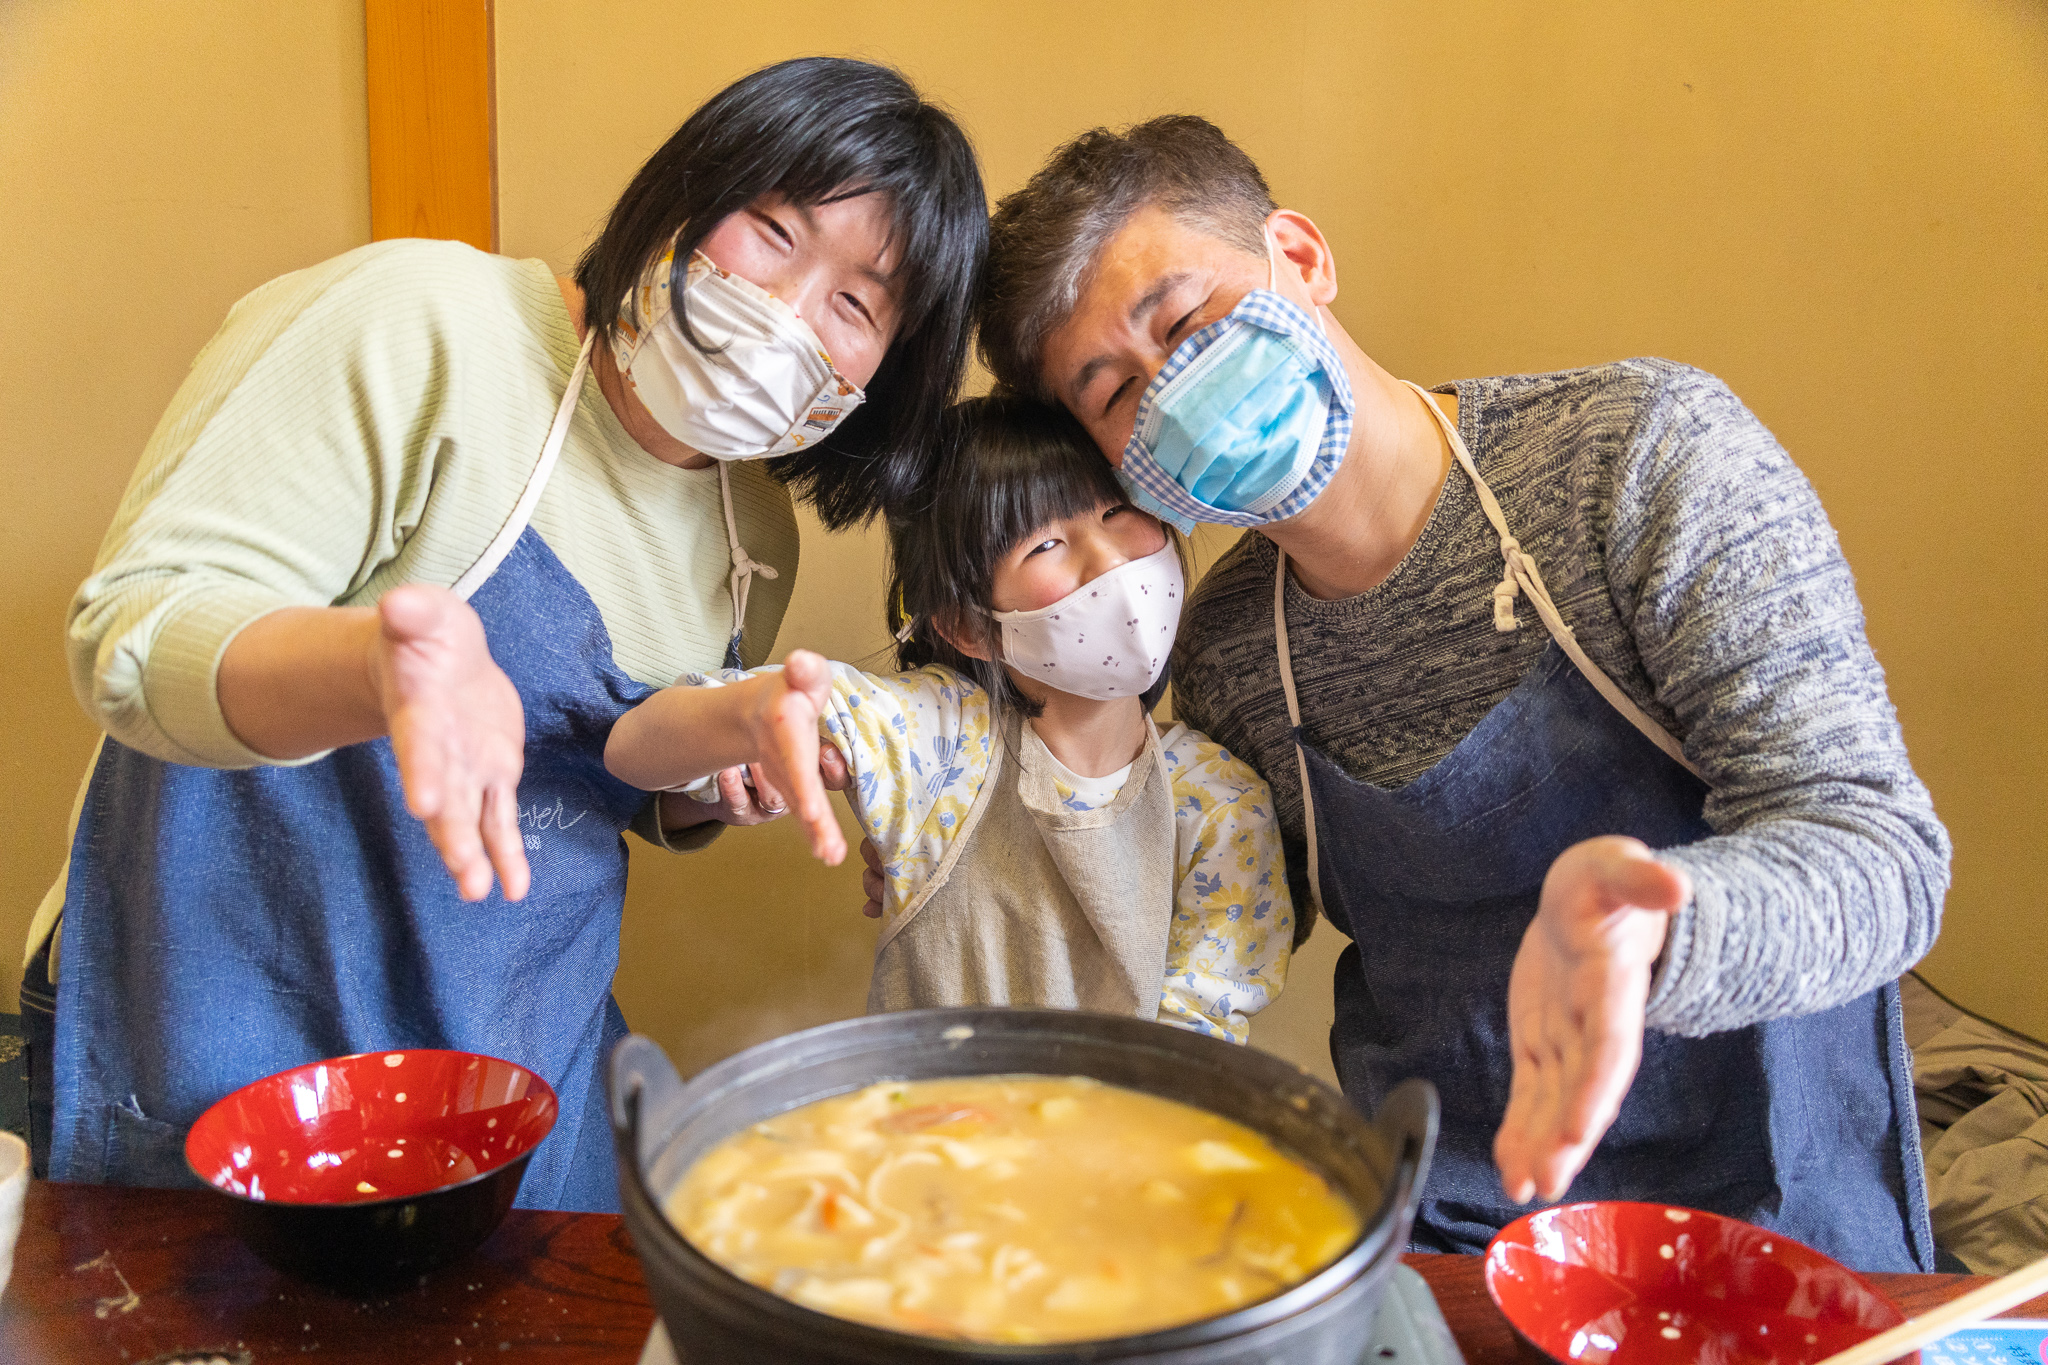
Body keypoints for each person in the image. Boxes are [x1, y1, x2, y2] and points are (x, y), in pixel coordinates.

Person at [961, 116, 1950, 1269]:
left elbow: (1880, 854)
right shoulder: (1225, 651)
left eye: (1185, 324)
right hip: (1443, 1240)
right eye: (1115, 393)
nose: (1173, 394)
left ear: (1301, 257)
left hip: (1775, 1225)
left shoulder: (1634, 456)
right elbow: (1202, 925)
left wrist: (1655, 931)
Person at [24, 58, 985, 1212]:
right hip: (228, 1027)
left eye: (855, 305)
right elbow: (135, 636)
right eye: (773, 232)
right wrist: (377, 671)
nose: (787, 312)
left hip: (518, 1068)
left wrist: (722, 767)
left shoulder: (753, 534)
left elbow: (608, 784)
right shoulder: (421, 322)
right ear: (682, 192)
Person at [605, 397, 1292, 1040]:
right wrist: (746, 718)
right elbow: (631, 750)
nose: (1109, 559)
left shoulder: (1221, 803)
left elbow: (1195, 1043)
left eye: (1117, 511)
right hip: (925, 1124)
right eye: (1045, 544)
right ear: (969, 626)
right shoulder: (941, 741)